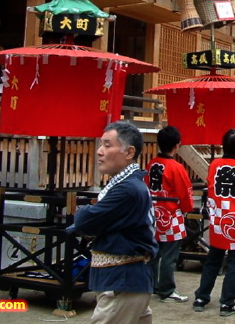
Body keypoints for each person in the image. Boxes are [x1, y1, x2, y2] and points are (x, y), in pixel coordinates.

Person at [66, 121, 158, 324]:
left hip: (121, 283)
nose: (99, 151)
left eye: (107, 145)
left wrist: (83, 212)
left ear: (129, 152)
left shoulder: (128, 189)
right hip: (124, 281)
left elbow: (83, 222)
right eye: (101, 145)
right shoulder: (124, 185)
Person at [193, 129, 235, 317]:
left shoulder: (214, 165)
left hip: (218, 221)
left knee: (213, 261)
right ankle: (227, 302)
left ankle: (201, 297)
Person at [144, 126, 194, 303]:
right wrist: (187, 209)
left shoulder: (151, 164)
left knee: (153, 253)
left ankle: (150, 286)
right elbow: (185, 193)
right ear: (177, 145)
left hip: (152, 214)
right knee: (169, 255)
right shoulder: (176, 167)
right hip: (170, 215)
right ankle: (166, 290)